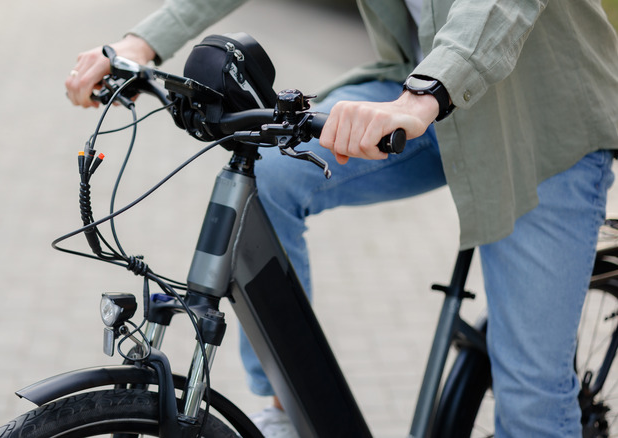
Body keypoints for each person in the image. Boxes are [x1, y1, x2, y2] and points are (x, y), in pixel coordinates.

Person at [65, 0, 618, 436]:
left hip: (538, 126)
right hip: (417, 91)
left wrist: (420, 98)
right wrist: (140, 45)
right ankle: (288, 409)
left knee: (530, 401)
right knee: (275, 172)